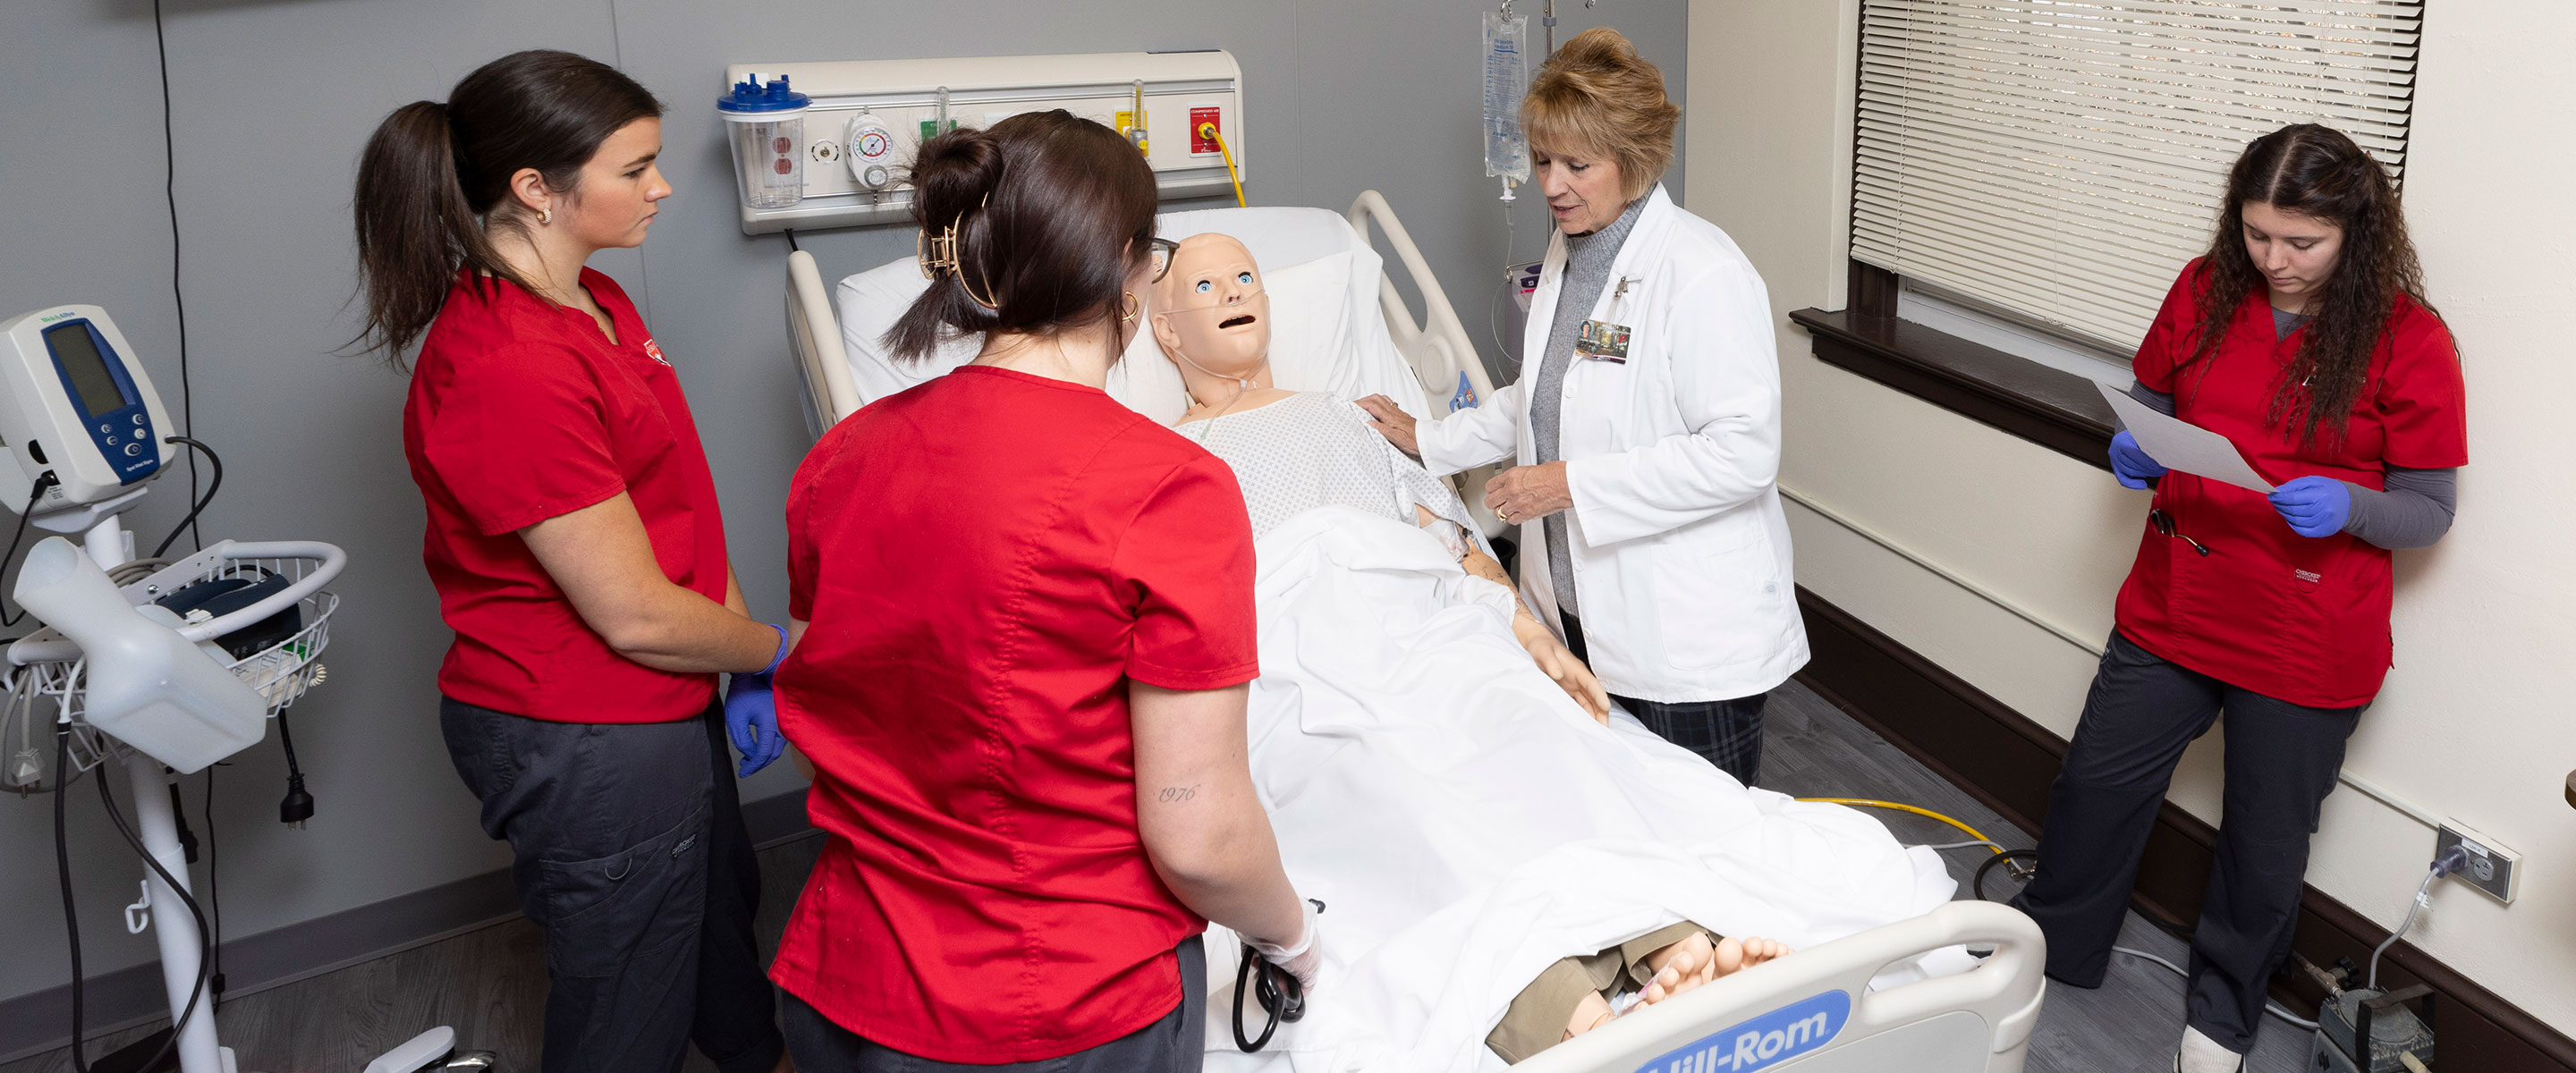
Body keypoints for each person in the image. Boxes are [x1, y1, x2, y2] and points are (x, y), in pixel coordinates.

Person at [770, 112, 1318, 1072]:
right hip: (1057, 1007)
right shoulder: (1169, 489)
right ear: (1126, 269)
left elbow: (831, 701)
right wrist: (1292, 940)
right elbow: (1198, 834)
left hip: (848, 980)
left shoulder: (839, 459)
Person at [358, 51, 790, 1073]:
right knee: (625, 1006)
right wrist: (777, 648)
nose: (664, 186)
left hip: (666, 695)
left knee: (721, 916)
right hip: (592, 737)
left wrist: (728, 661)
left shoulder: (594, 301)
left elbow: (675, 497)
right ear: (534, 191)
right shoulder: (511, 368)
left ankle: (759, 1057)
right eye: (635, 168)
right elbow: (632, 613)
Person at [2009, 123, 2466, 1073]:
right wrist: (2132, 446)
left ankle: (2221, 1019)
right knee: (2096, 785)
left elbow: (2427, 511)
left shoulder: (2410, 339)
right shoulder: (2205, 289)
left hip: (2305, 631)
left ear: (2357, 232)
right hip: (2178, 595)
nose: (2276, 261)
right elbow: (2155, 401)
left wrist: (2354, 506)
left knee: (2263, 844)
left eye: (2303, 243)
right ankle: (2052, 943)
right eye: (2258, 235)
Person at [1360, 28, 1806, 787]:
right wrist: (1429, 440)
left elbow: (1743, 453)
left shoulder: (1702, 272)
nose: (1553, 186)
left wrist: (1568, 484)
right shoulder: (1576, 250)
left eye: (1577, 165)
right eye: (1542, 161)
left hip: (1685, 639)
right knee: (1617, 829)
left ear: (1633, 162)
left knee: (1704, 845)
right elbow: (1545, 394)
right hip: (1580, 617)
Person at [1148, 232, 1608, 721]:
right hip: (1297, 666)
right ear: (1167, 331)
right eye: (1204, 286)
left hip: (1418, 633)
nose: (1233, 292)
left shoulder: (1350, 417)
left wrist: (1529, 632)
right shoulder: (1169, 457)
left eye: (1244, 278)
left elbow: (1455, 545)